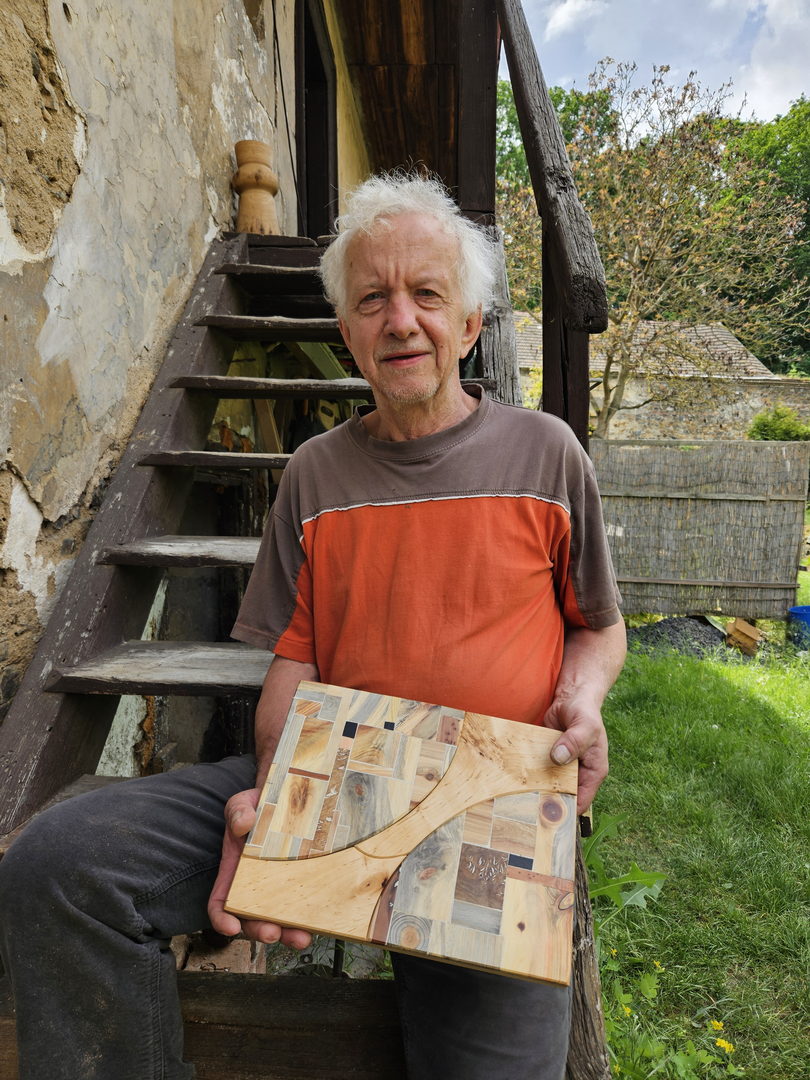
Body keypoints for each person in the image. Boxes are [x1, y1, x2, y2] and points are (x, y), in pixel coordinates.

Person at [0, 172, 626, 1080]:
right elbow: (294, 655)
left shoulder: (545, 454)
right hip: (333, 782)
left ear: (470, 325)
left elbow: (599, 626)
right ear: (346, 332)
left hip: (487, 812)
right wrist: (274, 795)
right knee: (63, 864)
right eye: (372, 300)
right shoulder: (314, 474)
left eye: (426, 295)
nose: (399, 320)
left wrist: (582, 698)